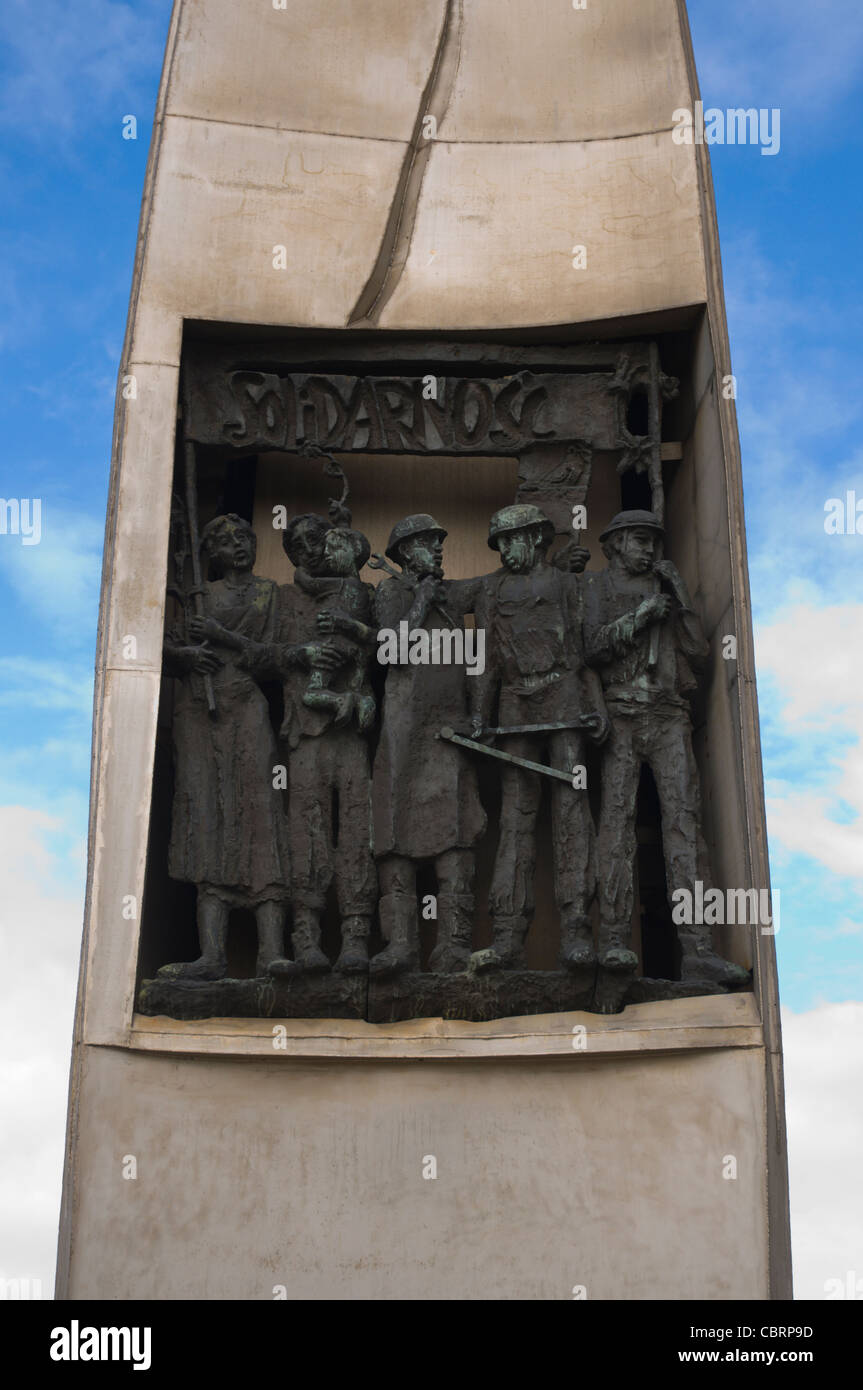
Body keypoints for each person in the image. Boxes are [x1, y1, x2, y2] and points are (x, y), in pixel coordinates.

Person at [583, 510, 749, 985]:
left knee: (685, 827)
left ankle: (698, 949)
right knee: (616, 825)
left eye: (653, 542)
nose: (648, 550)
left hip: (669, 714)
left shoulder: (663, 590)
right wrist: (638, 619)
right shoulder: (595, 589)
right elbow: (590, 650)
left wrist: (678, 597)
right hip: (621, 713)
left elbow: (697, 652)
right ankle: (613, 941)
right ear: (614, 544)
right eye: (639, 540)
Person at [468, 504, 608, 971]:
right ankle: (508, 937)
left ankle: (576, 931)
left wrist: (596, 704)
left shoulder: (568, 585)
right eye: (500, 543)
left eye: (512, 539)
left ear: (536, 538)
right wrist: (478, 713)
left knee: (572, 813)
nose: (506, 550)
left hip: (564, 701)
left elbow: (583, 652)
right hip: (513, 705)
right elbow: (485, 656)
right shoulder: (491, 588)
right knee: (515, 819)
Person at [159, 513, 295, 980]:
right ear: (211, 554)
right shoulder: (199, 597)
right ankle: (212, 956)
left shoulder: (267, 593)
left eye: (244, 536)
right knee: (206, 818)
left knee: (261, 812)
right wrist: (187, 656)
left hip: (245, 707)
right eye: (226, 540)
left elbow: (274, 659)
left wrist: (223, 638)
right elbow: (163, 649)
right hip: (199, 714)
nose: (239, 545)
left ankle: (271, 952)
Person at [370, 514, 487, 976]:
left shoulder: (453, 598)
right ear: (403, 552)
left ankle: (453, 947)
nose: (437, 549)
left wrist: (477, 712)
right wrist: (420, 599)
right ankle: (401, 946)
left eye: (439, 542)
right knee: (396, 837)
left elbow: (473, 660)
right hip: (404, 733)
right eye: (425, 543)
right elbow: (391, 650)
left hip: (450, 731)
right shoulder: (392, 592)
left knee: (456, 834)